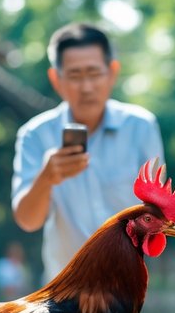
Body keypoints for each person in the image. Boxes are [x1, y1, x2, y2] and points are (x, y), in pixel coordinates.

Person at [11, 22, 165, 279]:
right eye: (75, 75)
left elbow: (156, 210)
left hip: (126, 283)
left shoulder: (141, 127)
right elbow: (28, 220)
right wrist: (46, 178)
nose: (86, 87)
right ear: (56, 79)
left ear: (112, 72)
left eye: (94, 73)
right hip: (62, 287)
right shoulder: (34, 135)